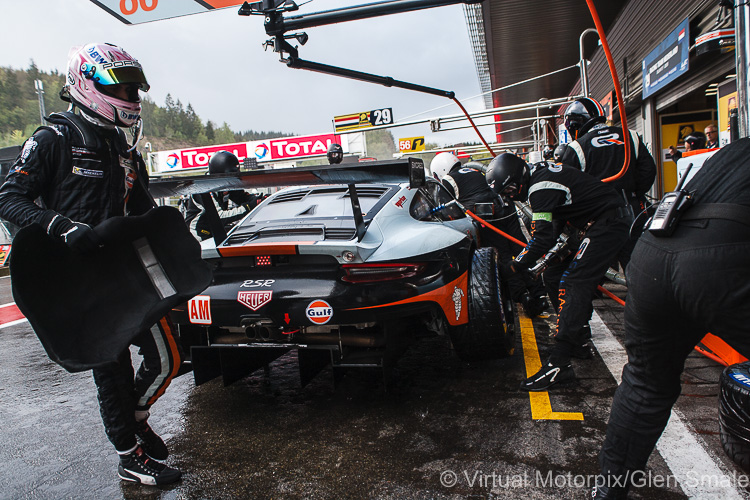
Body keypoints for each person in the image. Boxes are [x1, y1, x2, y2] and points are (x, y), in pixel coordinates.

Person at [0, 43, 181, 485]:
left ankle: (134, 420)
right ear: (86, 83)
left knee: (168, 357)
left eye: (135, 87)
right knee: (111, 373)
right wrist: (60, 226)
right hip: (79, 283)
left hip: (124, 276)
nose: (131, 95)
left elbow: (145, 215)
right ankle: (129, 456)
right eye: (121, 86)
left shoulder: (123, 149)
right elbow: (8, 198)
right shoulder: (53, 138)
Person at [594, 138, 750, 499]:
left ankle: (609, 491)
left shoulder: (734, 151)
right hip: (720, 256)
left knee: (645, 383)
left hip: (652, 251)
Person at [486, 153, 630, 391]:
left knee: (573, 282)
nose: (510, 196)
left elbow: (541, 238)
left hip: (608, 223)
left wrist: (515, 265)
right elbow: (552, 230)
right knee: (552, 275)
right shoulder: (538, 176)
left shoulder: (539, 189)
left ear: (519, 176)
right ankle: (578, 338)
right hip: (594, 222)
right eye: (505, 194)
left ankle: (559, 364)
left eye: (510, 190)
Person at [430, 152, 547, 317]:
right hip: (506, 206)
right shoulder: (474, 171)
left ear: (439, 171)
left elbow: (445, 209)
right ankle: (540, 293)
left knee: (503, 257)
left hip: (487, 215)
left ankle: (523, 297)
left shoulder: (448, 180)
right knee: (522, 249)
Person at [560, 97, 656, 269]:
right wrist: (633, 195)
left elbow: (569, 189)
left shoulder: (576, 147)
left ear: (574, 125)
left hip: (600, 218)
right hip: (634, 210)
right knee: (639, 265)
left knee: (590, 268)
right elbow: (648, 172)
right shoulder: (631, 135)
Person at [186, 150, 258, 241]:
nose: (232, 182)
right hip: (198, 237)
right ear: (220, 176)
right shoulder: (203, 189)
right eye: (230, 177)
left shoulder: (226, 184)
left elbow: (242, 197)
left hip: (215, 232)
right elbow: (219, 217)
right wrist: (248, 207)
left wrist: (259, 200)